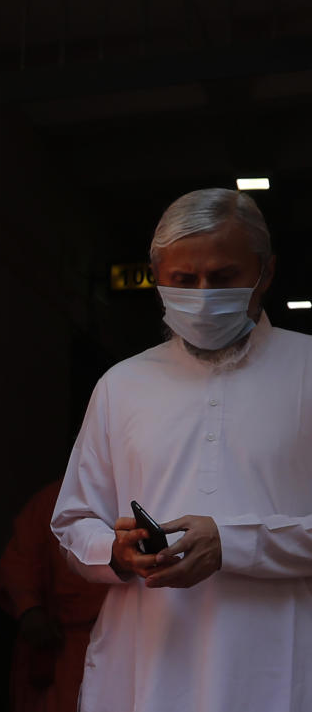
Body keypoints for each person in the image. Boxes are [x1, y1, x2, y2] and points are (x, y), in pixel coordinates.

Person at [51, 188, 312, 712]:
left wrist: (233, 544)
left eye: (222, 278)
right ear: (157, 280)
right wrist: (116, 553)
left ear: (266, 272)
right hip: (143, 669)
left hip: (279, 669)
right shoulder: (120, 385)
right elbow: (74, 522)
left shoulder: (307, 368)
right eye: (184, 280)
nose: (203, 293)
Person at [0, 480, 107, 712]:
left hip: (115, 644)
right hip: (60, 647)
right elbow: (17, 566)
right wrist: (30, 610)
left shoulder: (136, 500)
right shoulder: (52, 500)